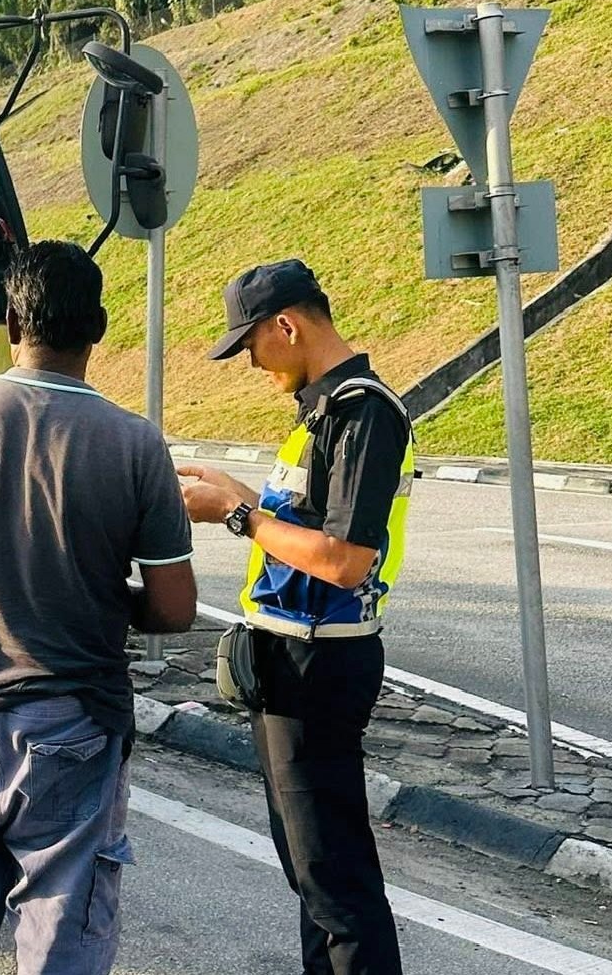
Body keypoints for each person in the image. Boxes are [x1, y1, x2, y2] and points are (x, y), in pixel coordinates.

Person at [0, 240, 198, 975]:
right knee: (61, 941)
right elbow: (173, 607)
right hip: (72, 721)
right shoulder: (134, 444)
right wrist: (88, 598)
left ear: (9, 322)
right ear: (100, 327)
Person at [178, 259, 414, 975]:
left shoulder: (361, 412)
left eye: (247, 345)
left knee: (332, 877)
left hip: (321, 666)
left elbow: (345, 560)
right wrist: (239, 495)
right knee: (311, 875)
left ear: (286, 324)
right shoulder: (322, 411)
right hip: (288, 662)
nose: (247, 361)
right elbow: (308, 529)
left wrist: (237, 515)